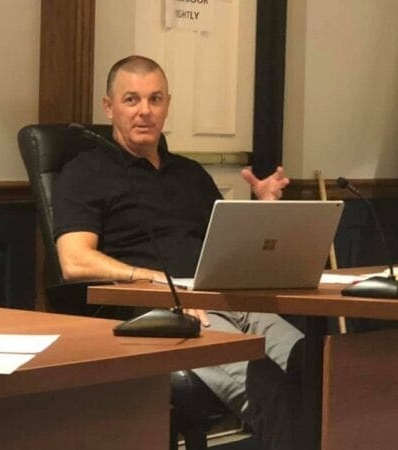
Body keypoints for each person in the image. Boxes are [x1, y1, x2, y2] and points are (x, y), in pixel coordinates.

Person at [53, 55, 303, 450]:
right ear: (108, 107)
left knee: (313, 363)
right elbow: (74, 260)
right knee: (265, 383)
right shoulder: (84, 172)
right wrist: (157, 282)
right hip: (162, 313)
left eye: (155, 99)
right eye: (131, 99)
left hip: (228, 297)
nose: (144, 111)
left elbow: (229, 247)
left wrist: (263, 210)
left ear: (168, 104)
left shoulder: (189, 173)